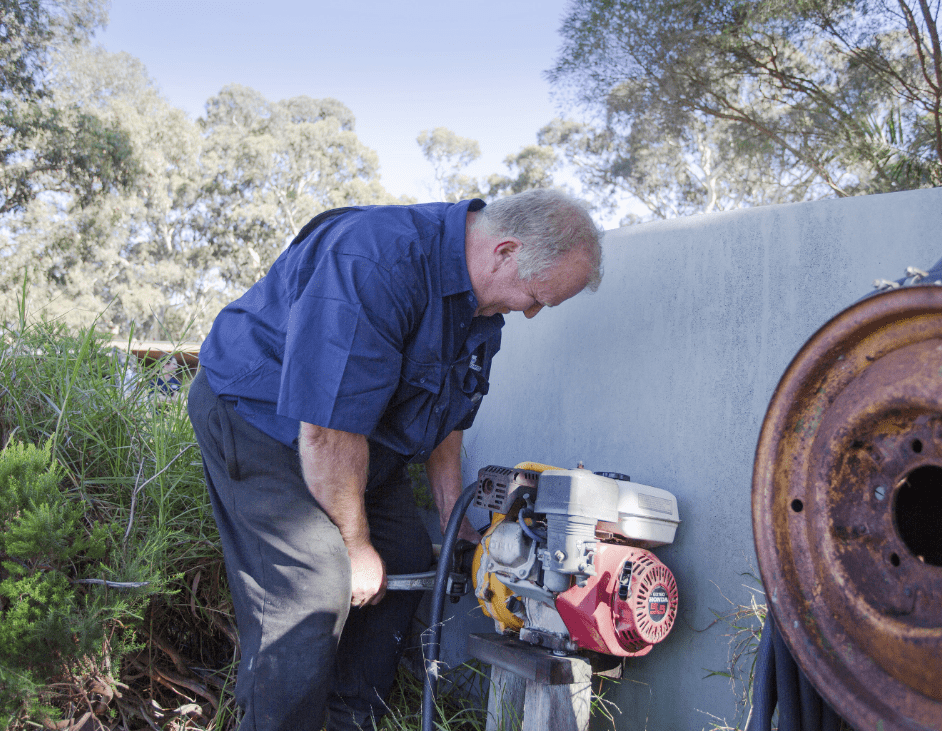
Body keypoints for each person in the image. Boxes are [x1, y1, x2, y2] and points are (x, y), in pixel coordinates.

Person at [187, 189, 603, 731]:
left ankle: (347, 718)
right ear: (504, 250)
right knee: (315, 581)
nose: (529, 311)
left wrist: (457, 519)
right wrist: (356, 548)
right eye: (534, 295)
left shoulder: (480, 306)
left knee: (406, 558)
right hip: (262, 418)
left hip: (354, 442)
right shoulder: (376, 261)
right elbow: (326, 432)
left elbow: (447, 418)